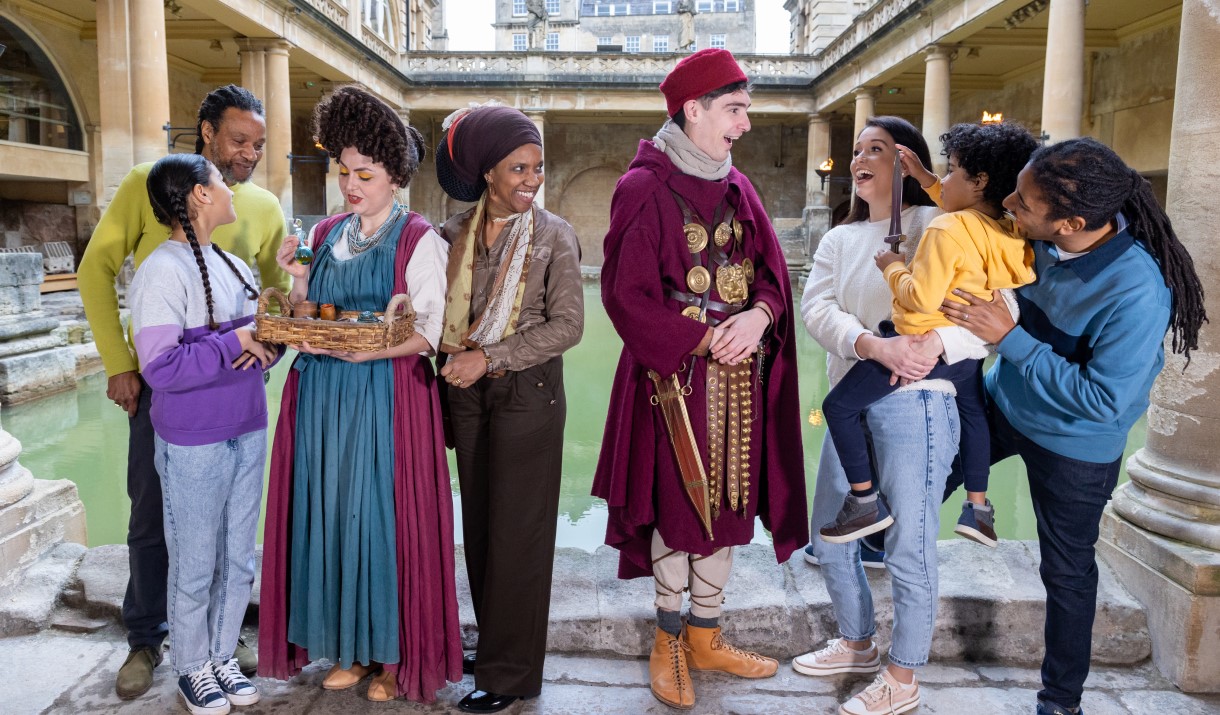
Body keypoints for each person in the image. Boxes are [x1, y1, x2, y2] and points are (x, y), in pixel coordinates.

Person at [938, 137, 1206, 715]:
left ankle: (1061, 701)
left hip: (1076, 447)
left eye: (1026, 202)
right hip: (1002, 405)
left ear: (1072, 222)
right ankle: (876, 549)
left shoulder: (1138, 289)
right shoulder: (1043, 242)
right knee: (925, 469)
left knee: (1066, 573)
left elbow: (1104, 402)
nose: (1009, 202)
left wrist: (1009, 339)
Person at [592, 49, 807, 711]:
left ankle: (708, 635)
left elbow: (772, 276)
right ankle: (668, 640)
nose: (743, 125)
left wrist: (763, 314)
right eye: (734, 110)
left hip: (738, 384)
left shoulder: (739, 188)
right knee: (679, 506)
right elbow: (624, 295)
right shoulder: (644, 187)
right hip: (671, 386)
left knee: (730, 508)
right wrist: (707, 334)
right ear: (694, 109)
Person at [78, 84, 287, 700]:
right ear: (205, 133)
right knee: (154, 517)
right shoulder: (152, 185)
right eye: (239, 141)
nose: (249, 155)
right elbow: (97, 270)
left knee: (229, 537)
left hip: (237, 406)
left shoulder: (262, 210)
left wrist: (274, 331)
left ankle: (219, 646)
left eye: (259, 144)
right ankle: (149, 637)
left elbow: (266, 302)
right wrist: (121, 362)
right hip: (170, 396)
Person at [257, 85, 461, 703]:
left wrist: (370, 349)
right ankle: (348, 646)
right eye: (343, 171)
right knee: (331, 516)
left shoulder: (418, 238)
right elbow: (304, 314)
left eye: (364, 174)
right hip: (320, 399)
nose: (350, 184)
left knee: (383, 519)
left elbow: (428, 333)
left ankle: (396, 658)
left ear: (395, 176)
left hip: (386, 397)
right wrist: (294, 281)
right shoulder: (323, 231)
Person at [794, 116, 969, 715]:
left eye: (877, 149)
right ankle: (858, 642)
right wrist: (871, 344)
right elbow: (816, 307)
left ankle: (904, 676)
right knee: (832, 535)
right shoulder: (839, 240)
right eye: (856, 151)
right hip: (851, 393)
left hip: (917, 401)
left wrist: (931, 346)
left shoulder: (942, 226)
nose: (858, 160)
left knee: (907, 545)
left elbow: (995, 308)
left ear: (910, 164)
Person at [818, 121, 1039, 548]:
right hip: (962, 362)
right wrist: (925, 177)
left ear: (979, 180)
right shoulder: (1007, 227)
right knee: (976, 416)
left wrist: (892, 267)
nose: (945, 178)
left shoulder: (942, 227)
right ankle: (979, 509)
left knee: (838, 407)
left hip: (916, 346)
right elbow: (965, 204)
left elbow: (919, 298)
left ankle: (864, 501)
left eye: (952, 169)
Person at [434, 103, 584, 715]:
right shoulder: (450, 236)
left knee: (520, 534)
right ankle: (498, 645)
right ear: (486, 173)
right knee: (483, 529)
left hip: (529, 394)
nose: (532, 179)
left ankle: (511, 676)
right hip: (465, 396)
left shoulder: (553, 235)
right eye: (519, 168)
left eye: (538, 168)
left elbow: (568, 326)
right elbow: (433, 311)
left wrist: (489, 357)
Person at [131, 153, 279, 715]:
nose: (232, 191)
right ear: (198, 194)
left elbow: (264, 341)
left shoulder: (236, 266)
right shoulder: (161, 271)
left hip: (247, 428)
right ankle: (191, 664)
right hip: (194, 439)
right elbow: (161, 368)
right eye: (221, 183)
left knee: (238, 558)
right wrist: (235, 343)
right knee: (194, 560)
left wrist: (268, 340)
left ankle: (220, 656)